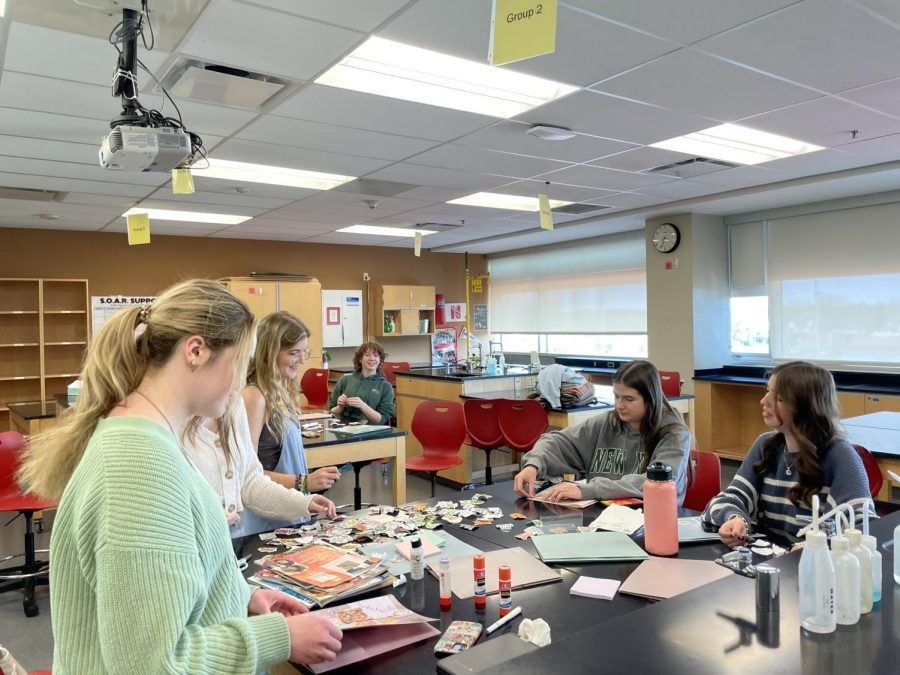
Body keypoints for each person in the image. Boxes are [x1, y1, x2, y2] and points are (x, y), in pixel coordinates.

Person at [18, 280, 342, 672]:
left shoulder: (149, 438)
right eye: (239, 364)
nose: (241, 382)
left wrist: (240, 597)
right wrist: (279, 638)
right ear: (195, 351)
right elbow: (154, 663)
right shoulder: (141, 466)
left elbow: (170, 590)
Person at [702, 361, 873, 545]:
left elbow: (863, 527)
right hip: (771, 565)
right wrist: (735, 518)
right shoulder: (765, 445)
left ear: (806, 407)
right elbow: (723, 500)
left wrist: (814, 548)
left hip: (818, 568)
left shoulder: (840, 455)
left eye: (779, 398)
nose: (764, 401)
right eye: (767, 391)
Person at [513, 360, 692, 504]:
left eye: (629, 399)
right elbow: (559, 442)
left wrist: (588, 490)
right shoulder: (609, 422)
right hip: (600, 518)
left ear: (651, 399)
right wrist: (533, 465)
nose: (619, 405)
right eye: (616, 396)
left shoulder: (674, 434)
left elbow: (657, 482)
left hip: (652, 522)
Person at [184, 396, 337, 539]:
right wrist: (303, 482)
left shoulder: (235, 404)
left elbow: (249, 481)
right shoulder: (169, 421)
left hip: (235, 545)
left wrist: (302, 502)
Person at [243, 311, 341, 492]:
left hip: (288, 505)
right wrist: (303, 482)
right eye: (294, 353)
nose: (302, 360)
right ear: (269, 353)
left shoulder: (281, 391)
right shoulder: (254, 396)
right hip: (267, 512)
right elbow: (247, 472)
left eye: (304, 351)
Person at [329, 341, 395, 425]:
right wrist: (340, 407)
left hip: (370, 431)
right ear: (360, 359)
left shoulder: (385, 386)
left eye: (376, 355)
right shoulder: (345, 380)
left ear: (380, 360)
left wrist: (362, 406)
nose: (372, 358)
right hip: (345, 427)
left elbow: (381, 420)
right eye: (367, 355)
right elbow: (332, 411)